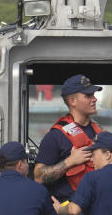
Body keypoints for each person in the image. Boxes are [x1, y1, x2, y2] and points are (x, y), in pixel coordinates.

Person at [34, 74, 103, 203]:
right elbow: (39, 177)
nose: (94, 99)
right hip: (68, 209)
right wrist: (70, 162)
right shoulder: (55, 136)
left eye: (93, 95)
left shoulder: (99, 132)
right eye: (88, 96)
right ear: (72, 101)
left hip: (97, 206)